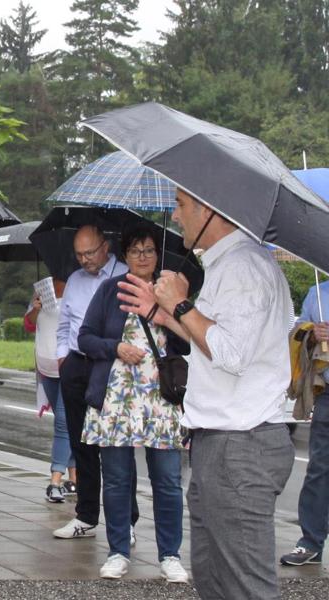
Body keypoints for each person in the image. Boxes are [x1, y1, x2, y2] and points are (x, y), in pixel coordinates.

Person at [117, 188, 295, 600]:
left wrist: (179, 305)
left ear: (209, 209)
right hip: (224, 442)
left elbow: (231, 354)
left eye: (181, 205)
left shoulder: (244, 268)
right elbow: (213, 341)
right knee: (215, 580)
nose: (176, 217)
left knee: (246, 586)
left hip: (241, 446)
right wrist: (162, 315)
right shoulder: (229, 265)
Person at [76, 225, 189, 582]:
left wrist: (165, 308)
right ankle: (118, 551)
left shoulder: (170, 291)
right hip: (117, 399)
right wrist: (115, 349)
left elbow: (187, 344)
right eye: (136, 250)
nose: (143, 257)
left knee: (168, 480)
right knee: (117, 479)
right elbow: (85, 338)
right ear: (125, 255)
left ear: (158, 255)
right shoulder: (110, 290)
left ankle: (170, 555)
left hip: (161, 400)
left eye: (150, 250)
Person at [52, 224, 138, 541]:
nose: (85, 260)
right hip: (77, 364)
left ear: (105, 246)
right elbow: (64, 325)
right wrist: (63, 358)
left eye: (89, 252)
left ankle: (126, 521)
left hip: (111, 366)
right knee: (82, 444)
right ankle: (86, 515)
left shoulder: (127, 277)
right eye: (79, 254)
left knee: (116, 447)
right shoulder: (74, 280)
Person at [281, 279, 329, 567]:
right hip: (327, 392)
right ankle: (310, 542)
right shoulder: (318, 293)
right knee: (319, 470)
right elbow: (296, 336)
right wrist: (312, 334)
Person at [23, 278, 76, 503]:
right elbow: (29, 324)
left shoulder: (78, 286)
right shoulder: (42, 288)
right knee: (68, 422)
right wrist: (35, 308)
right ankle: (75, 477)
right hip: (46, 366)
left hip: (69, 364)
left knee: (63, 422)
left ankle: (55, 480)